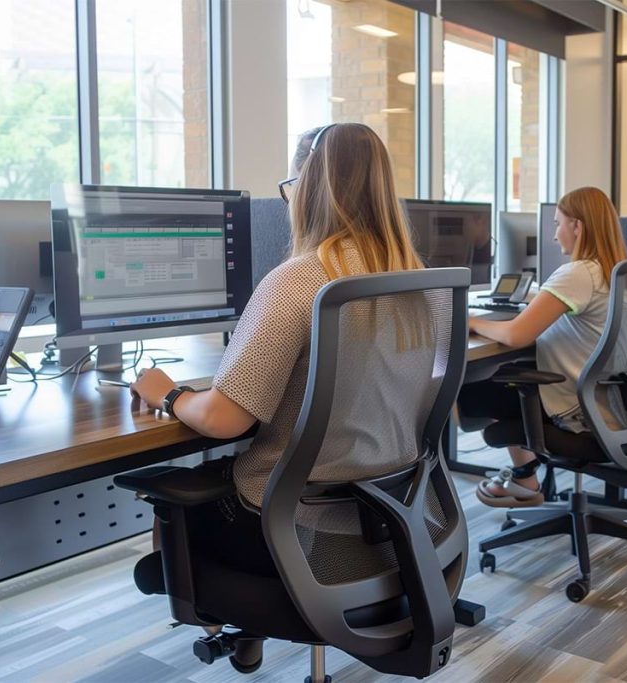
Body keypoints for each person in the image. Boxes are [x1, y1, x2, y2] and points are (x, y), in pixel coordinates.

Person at [129, 122, 429, 575]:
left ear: (309, 188)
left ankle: (230, 630)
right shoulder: (413, 279)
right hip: (389, 520)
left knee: (179, 508)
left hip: (292, 531)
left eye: (291, 187)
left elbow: (222, 419)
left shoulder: (301, 278)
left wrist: (167, 393)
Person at [458, 186, 627, 507]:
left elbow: (516, 336)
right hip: (610, 408)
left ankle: (523, 478)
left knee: (465, 391)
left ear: (577, 227)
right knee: (508, 375)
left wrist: (471, 321)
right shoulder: (618, 271)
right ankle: (525, 477)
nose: (555, 236)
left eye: (558, 224)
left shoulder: (579, 274)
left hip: (576, 412)